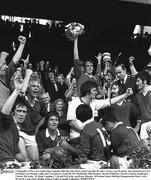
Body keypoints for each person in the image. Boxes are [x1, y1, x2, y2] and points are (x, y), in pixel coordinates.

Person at [67, 80, 133, 140]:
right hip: (77, 138)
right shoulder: (74, 102)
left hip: (89, 137)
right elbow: (71, 122)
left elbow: (110, 101)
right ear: (87, 92)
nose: (96, 92)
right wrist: (84, 132)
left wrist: (126, 94)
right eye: (94, 90)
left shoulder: (94, 102)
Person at [19, 77, 48, 160]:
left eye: (38, 87)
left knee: (35, 161)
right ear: (28, 88)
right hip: (19, 132)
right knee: (24, 160)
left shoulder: (40, 102)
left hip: (31, 134)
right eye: (33, 86)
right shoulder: (21, 98)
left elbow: (45, 115)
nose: (36, 88)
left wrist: (38, 127)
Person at [0, 74, 27, 163]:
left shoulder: (15, 130)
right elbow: (4, 111)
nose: (22, 114)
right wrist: (17, 90)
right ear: (13, 112)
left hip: (10, 161)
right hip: (3, 163)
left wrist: (29, 162)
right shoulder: (7, 121)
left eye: (24, 112)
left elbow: (16, 153)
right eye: (19, 111)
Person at [76, 104, 111, 169]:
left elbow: (83, 154)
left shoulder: (86, 129)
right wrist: (71, 141)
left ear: (77, 116)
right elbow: (92, 137)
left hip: (95, 163)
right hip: (107, 161)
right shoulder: (99, 125)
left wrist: (68, 147)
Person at [0, 35, 26, 109]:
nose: (6, 66)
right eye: (4, 64)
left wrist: (22, 45)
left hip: (4, 115)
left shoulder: (4, 79)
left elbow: (15, 60)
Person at [135, 71, 151, 149]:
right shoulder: (138, 95)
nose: (136, 83)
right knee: (146, 150)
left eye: (138, 81)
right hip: (144, 126)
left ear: (144, 81)